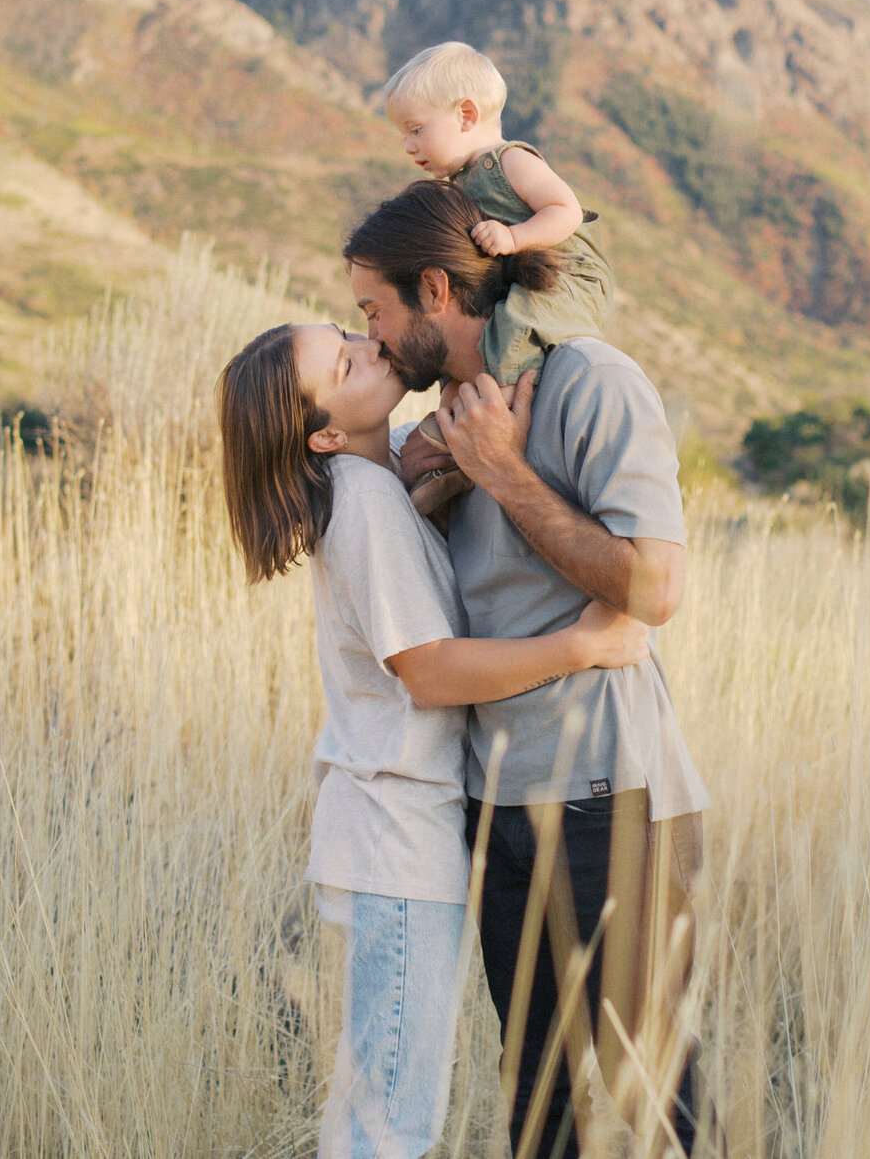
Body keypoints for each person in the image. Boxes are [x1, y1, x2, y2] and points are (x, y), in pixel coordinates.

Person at [216, 320, 652, 1159]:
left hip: (394, 831)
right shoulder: (363, 499)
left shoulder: (373, 487)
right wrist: (582, 647)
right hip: (399, 839)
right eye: (346, 362)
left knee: (380, 1099)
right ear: (326, 433)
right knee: (392, 1115)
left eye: (351, 329)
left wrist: (439, 482)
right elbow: (429, 670)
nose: (372, 346)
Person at [344, 183, 710, 1159]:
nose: (371, 336)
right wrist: (446, 468)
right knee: (539, 1107)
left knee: (662, 1092)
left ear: (435, 289)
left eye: (374, 310)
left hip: (610, 795)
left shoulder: (590, 380)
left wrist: (505, 469)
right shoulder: (451, 423)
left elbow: (656, 586)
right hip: (496, 806)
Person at [383, 41, 613, 513]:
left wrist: (513, 237)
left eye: (416, 129)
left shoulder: (509, 162)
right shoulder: (460, 182)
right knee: (460, 355)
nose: (408, 146)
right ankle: (450, 453)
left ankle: (492, 430)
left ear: (467, 115)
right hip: (527, 279)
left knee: (511, 328)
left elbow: (565, 211)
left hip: (569, 279)